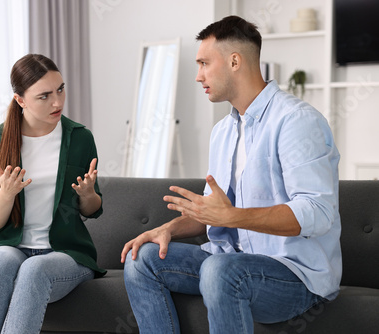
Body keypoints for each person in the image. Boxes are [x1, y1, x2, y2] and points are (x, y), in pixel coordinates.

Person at [121, 15, 341, 334]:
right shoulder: (222, 132)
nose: (198, 76)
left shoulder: (296, 122)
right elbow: (216, 214)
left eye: (204, 64)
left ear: (234, 61)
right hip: (225, 263)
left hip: (295, 275)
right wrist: (167, 228)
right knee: (142, 259)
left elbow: (318, 213)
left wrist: (234, 217)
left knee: (221, 270)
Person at [0, 54, 105, 334]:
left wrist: (88, 194)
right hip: (9, 245)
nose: (58, 102)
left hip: (65, 253)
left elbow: (92, 209)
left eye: (60, 90)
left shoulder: (79, 138)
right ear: (21, 101)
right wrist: (6, 194)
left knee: (35, 269)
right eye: (44, 96)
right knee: (1, 261)